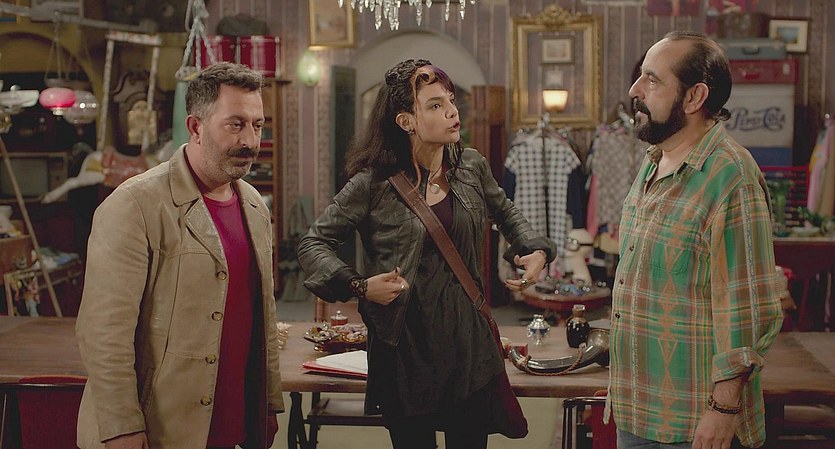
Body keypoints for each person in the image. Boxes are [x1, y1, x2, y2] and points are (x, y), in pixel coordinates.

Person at [297, 59, 556, 449]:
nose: (452, 111)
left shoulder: (471, 167)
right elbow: (313, 243)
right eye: (435, 104)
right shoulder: (373, 184)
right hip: (405, 351)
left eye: (450, 100)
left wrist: (533, 248)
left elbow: (507, 213)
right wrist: (359, 285)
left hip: (468, 345)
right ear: (406, 121)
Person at [75, 62, 284, 449]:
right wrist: (121, 427)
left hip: (234, 424)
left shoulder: (254, 205)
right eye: (235, 124)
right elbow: (104, 332)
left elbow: (263, 318)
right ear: (195, 127)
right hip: (160, 428)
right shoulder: (135, 205)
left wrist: (268, 404)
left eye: (257, 125)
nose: (250, 141)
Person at [606, 31, 783, 449]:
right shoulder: (655, 161)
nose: (634, 91)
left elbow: (747, 306)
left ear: (694, 97)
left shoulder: (731, 177)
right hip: (637, 405)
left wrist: (723, 408)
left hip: (694, 422)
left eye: (652, 80)